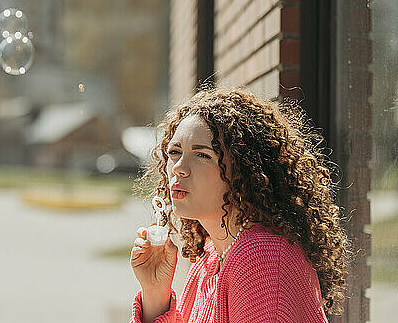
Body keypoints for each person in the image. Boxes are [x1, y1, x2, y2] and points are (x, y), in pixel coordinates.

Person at [130, 86, 351, 323]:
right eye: (174, 152)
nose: (178, 168)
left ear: (243, 170)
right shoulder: (211, 258)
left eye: (203, 155)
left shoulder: (262, 260)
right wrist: (154, 294)